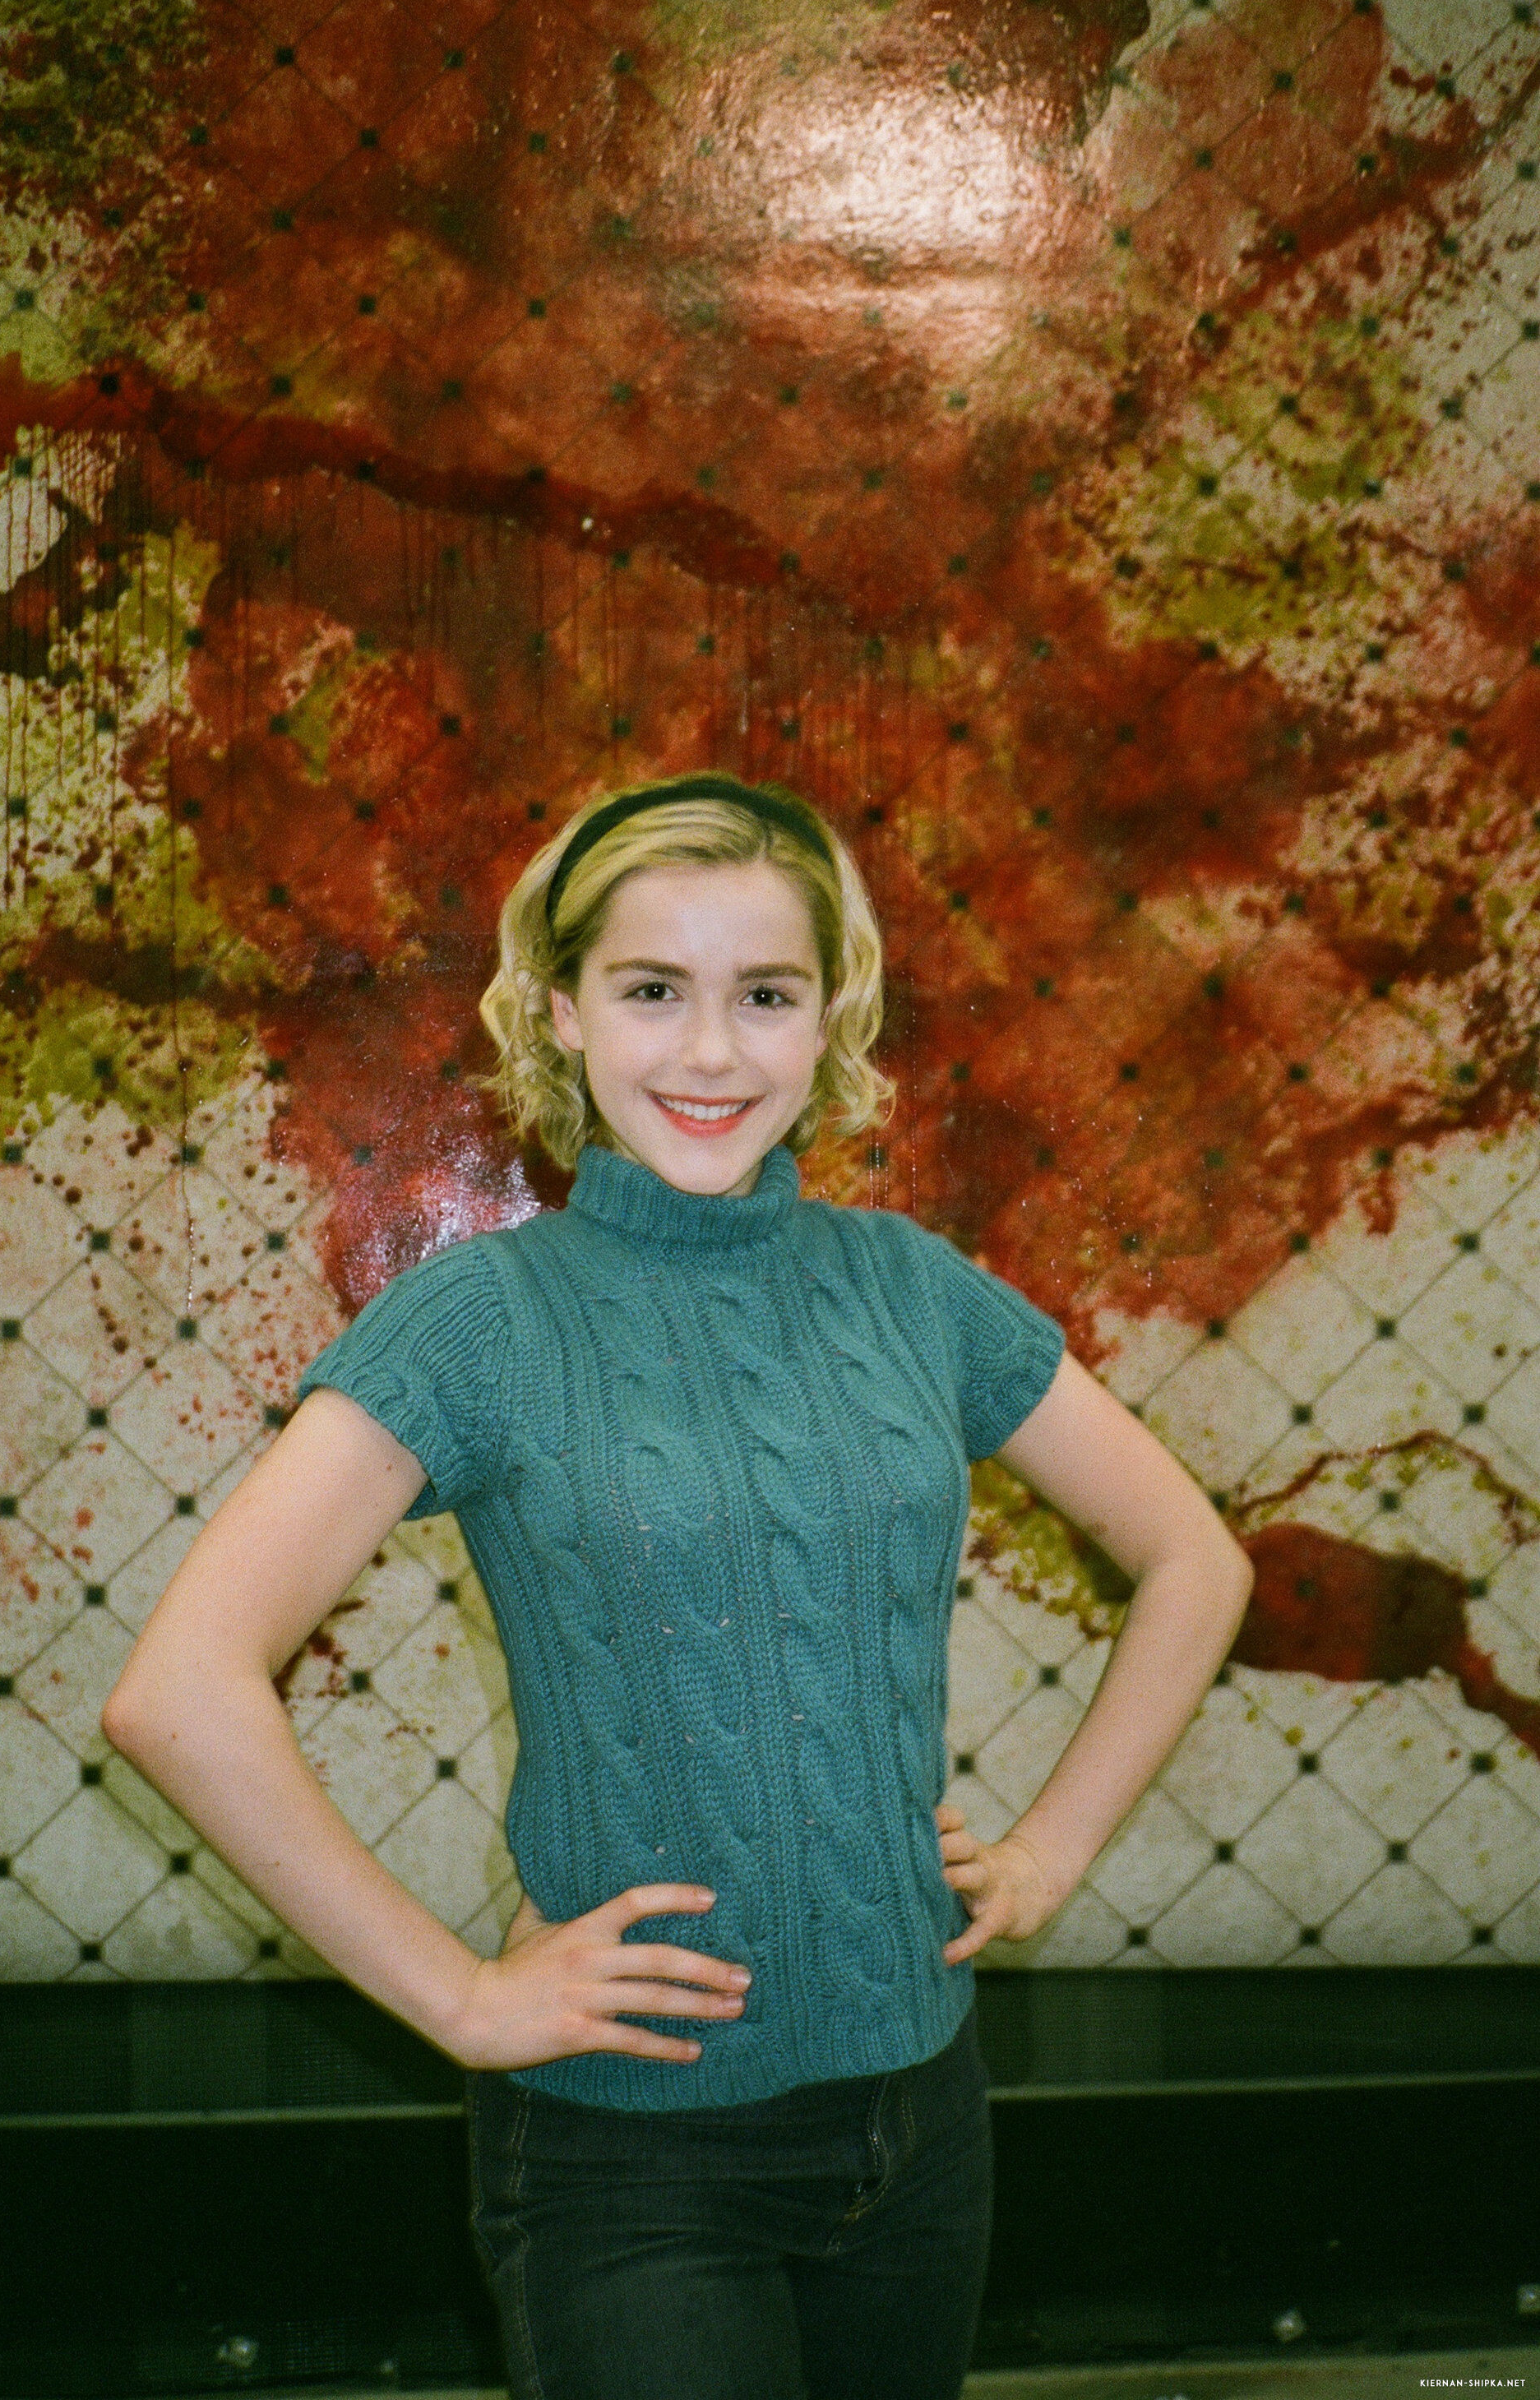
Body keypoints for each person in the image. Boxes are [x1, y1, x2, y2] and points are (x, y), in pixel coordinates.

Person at [104, 769, 1253, 2400]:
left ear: (826, 1020)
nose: (710, 1051)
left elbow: (1193, 1559)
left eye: (764, 995)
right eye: (652, 990)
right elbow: (178, 1692)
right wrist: (463, 2000)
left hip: (921, 2118)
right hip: (629, 2160)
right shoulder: (480, 1320)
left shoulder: (910, 1288)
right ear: (560, 1011)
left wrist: (1051, 1851)